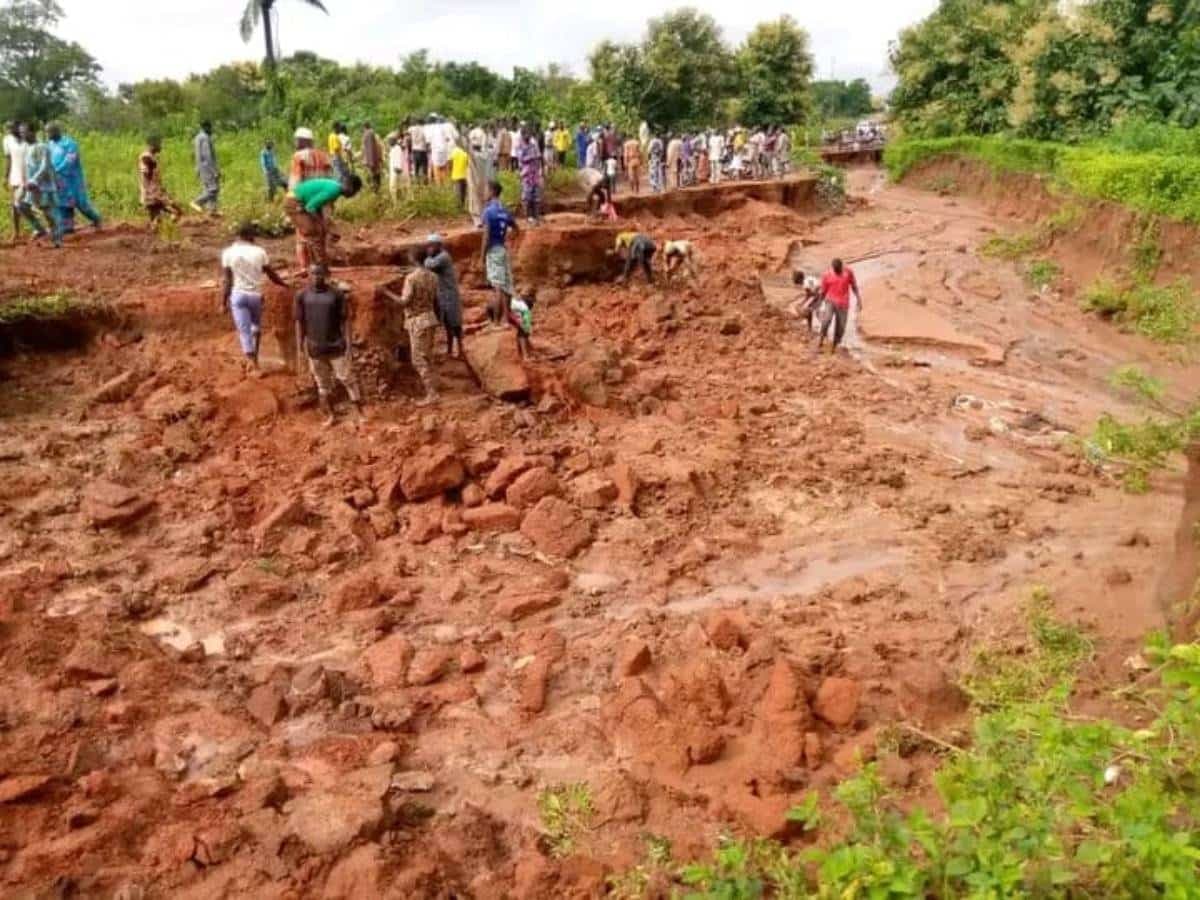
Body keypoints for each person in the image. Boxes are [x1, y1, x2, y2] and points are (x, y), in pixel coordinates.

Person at [295, 264, 365, 425]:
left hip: (336, 346)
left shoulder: (337, 295)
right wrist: (299, 346)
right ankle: (331, 416)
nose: (316, 277)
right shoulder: (302, 296)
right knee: (322, 384)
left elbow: (345, 321)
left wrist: (349, 344)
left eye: (319, 273)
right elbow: (299, 322)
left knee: (347, 379)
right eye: (313, 273)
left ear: (327, 275)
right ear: (308, 275)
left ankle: (360, 414)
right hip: (315, 348)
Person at [220, 222, 288, 372]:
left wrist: (223, 302)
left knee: (244, 330)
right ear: (251, 236)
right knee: (255, 327)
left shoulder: (228, 252)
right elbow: (270, 273)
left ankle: (252, 362)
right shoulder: (260, 252)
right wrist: (284, 284)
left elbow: (228, 280)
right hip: (256, 296)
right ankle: (255, 359)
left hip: (238, 295)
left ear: (238, 236)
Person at [384, 249, 440, 404]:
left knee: (418, 359)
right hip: (430, 318)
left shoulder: (411, 279)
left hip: (417, 321)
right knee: (427, 355)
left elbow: (404, 301)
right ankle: (434, 385)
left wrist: (386, 292)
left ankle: (431, 393)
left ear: (412, 259)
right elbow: (436, 299)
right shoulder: (433, 276)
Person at [283, 173, 363, 270]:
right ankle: (318, 267)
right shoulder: (333, 191)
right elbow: (310, 207)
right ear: (350, 187)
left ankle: (321, 265)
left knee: (320, 231)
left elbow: (318, 206)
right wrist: (321, 223)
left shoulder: (335, 189)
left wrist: (325, 225)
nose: (353, 195)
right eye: (355, 192)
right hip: (294, 202)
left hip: (301, 202)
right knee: (313, 232)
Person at [46, 124, 101, 234]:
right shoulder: (50, 145)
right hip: (59, 180)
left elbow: (70, 161)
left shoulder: (69, 143)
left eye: (49, 132)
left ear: (56, 131)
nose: (47, 134)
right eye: (46, 132)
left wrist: (57, 170)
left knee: (81, 203)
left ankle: (96, 219)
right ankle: (68, 226)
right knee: (64, 203)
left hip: (73, 180)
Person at [480, 179, 520, 331]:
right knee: (507, 286)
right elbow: (516, 228)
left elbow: (486, 235)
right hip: (503, 249)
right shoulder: (504, 210)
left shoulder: (488, 211)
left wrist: (482, 256)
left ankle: (496, 323)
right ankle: (506, 319)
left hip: (493, 250)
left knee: (497, 286)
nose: (484, 193)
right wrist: (510, 242)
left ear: (492, 192)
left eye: (486, 190)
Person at [18, 124, 62, 247]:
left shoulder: (42, 147)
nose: (22, 135)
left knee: (48, 212)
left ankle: (57, 238)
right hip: (31, 185)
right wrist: (25, 181)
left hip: (44, 185)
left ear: (32, 132)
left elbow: (45, 166)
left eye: (24, 132)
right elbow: (27, 167)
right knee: (21, 205)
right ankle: (40, 229)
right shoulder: (27, 147)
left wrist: (34, 180)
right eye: (21, 133)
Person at [423, 233, 463, 358]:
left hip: (450, 295)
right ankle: (450, 351)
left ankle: (460, 350)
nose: (429, 248)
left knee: (454, 323)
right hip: (443, 295)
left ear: (439, 245)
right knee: (447, 324)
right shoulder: (439, 256)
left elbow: (429, 265)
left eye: (431, 246)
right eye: (428, 246)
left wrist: (425, 259)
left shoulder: (443, 257)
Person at [816, 258, 863, 352]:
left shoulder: (848, 272)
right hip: (830, 301)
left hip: (843, 303)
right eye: (836, 270)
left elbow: (854, 286)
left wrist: (859, 299)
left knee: (841, 327)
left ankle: (834, 346)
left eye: (839, 269)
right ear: (833, 268)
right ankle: (820, 340)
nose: (838, 271)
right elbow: (823, 291)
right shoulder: (827, 275)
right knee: (826, 320)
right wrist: (819, 304)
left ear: (842, 266)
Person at [138, 135, 183, 226]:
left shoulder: (151, 157)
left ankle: (165, 228)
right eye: (159, 144)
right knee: (176, 211)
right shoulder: (146, 157)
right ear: (152, 145)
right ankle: (169, 228)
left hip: (155, 192)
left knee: (157, 219)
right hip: (152, 194)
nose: (161, 146)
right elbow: (145, 171)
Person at [4, 121, 29, 241]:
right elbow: (8, 159)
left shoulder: (27, 139)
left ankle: (45, 228)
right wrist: (5, 177)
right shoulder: (7, 140)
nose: (9, 130)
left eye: (12, 128)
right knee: (15, 205)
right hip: (15, 175)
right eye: (8, 128)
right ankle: (16, 232)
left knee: (37, 203)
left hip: (30, 175)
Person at [191, 121, 220, 215]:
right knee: (213, 189)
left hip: (201, 168)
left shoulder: (197, 138)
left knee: (207, 189)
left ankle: (212, 211)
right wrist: (214, 170)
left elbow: (197, 156)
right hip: (207, 168)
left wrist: (197, 169)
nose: (211, 130)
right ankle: (196, 202)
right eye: (210, 128)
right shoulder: (205, 138)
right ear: (206, 127)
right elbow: (207, 156)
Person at [517, 126, 543, 224]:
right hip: (526, 175)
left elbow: (539, 156)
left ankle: (536, 216)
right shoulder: (520, 146)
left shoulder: (533, 145)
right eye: (526, 133)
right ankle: (528, 217)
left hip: (535, 174)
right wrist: (532, 157)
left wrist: (540, 170)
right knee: (527, 197)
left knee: (536, 197)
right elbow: (521, 159)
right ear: (523, 135)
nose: (528, 135)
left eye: (529, 133)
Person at [791, 267, 823, 332]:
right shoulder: (808, 278)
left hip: (817, 295)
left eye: (798, 282)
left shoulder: (805, 284)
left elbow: (810, 295)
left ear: (799, 279)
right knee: (810, 310)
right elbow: (815, 289)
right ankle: (811, 326)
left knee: (806, 309)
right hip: (821, 293)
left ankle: (812, 327)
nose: (798, 284)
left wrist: (802, 303)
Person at [510, 286, 535, 359]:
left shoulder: (518, 299)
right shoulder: (526, 301)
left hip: (512, 315)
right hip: (518, 315)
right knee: (523, 334)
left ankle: (521, 354)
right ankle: (525, 356)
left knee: (521, 333)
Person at [361, 122, 384, 193]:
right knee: (375, 173)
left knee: (374, 173)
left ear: (364, 128)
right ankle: (376, 187)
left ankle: (376, 188)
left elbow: (366, 149)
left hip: (371, 159)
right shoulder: (372, 135)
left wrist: (366, 160)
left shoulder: (367, 135)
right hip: (374, 158)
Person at [388, 135, 409, 202]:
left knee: (393, 188)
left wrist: (397, 169)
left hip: (396, 171)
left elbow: (398, 160)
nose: (389, 142)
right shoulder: (394, 148)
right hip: (396, 171)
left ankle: (396, 202)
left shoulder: (397, 149)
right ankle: (399, 202)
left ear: (394, 141)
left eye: (390, 140)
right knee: (398, 187)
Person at [409, 118, 429, 183]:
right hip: (422, 150)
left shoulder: (412, 128)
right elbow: (427, 140)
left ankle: (417, 182)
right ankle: (425, 181)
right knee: (424, 167)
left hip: (414, 150)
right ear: (422, 123)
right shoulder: (424, 129)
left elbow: (407, 132)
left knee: (416, 167)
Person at [450, 142, 469, 211]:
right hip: (464, 176)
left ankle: (457, 207)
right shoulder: (466, 152)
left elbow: (450, 162)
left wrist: (450, 170)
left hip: (455, 176)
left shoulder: (454, 151)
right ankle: (462, 206)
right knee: (463, 193)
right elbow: (468, 164)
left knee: (456, 192)